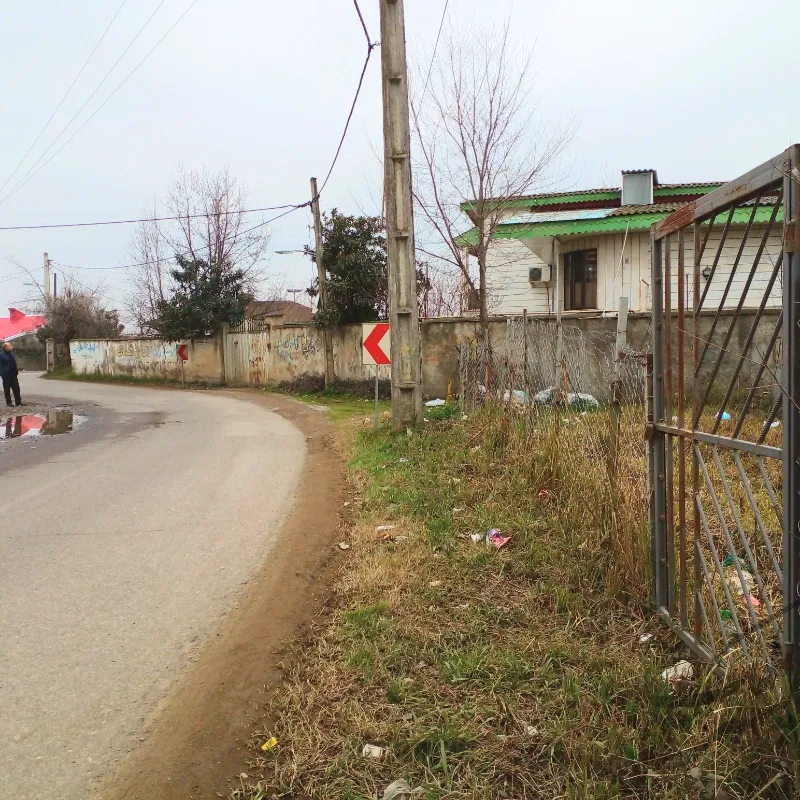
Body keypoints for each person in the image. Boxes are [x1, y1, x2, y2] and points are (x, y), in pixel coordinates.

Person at [0, 341, 22, 407]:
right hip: (6, 375)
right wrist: (2, 374)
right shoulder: (1, 355)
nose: (11, 347)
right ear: (5, 348)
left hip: (13, 374)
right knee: (7, 389)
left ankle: (18, 402)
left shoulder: (11, 354)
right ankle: (9, 402)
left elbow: (13, 363)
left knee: (16, 388)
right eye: (9, 346)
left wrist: (16, 372)